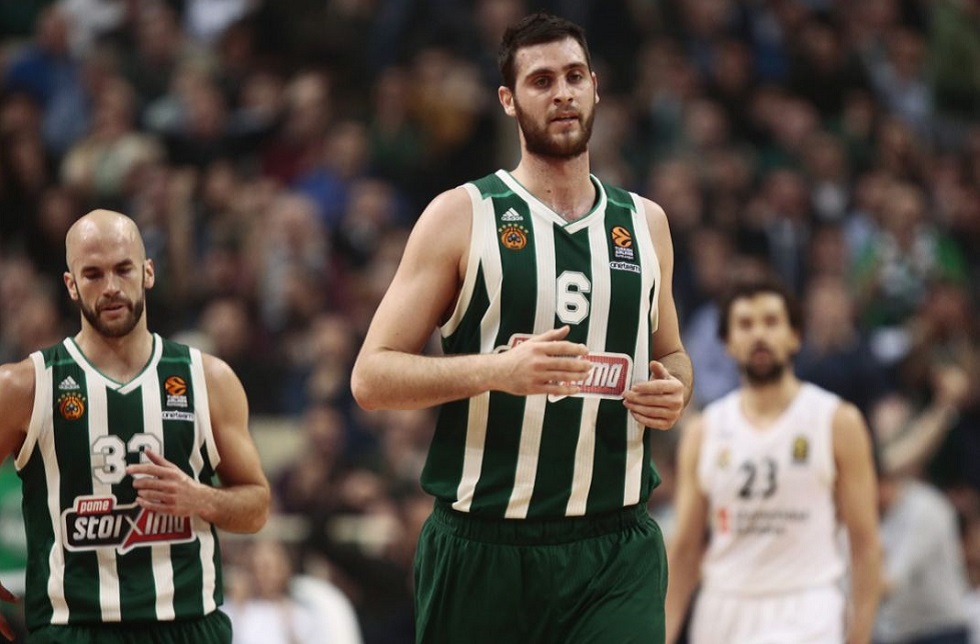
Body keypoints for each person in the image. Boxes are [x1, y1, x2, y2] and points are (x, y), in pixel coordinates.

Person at [351, 12, 693, 644]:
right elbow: (371, 378)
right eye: (541, 81)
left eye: (574, 77)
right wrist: (498, 371)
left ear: (596, 88)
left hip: (615, 548)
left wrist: (675, 389)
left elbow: (671, 353)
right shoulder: (461, 215)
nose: (562, 93)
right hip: (485, 544)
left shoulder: (646, 224)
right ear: (508, 100)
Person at [0, 209, 271, 643]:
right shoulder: (24, 386)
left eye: (123, 269)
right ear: (71, 285)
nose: (110, 286)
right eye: (92, 274)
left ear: (148, 272)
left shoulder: (209, 379)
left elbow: (256, 507)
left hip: (189, 626)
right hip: (74, 630)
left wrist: (200, 498)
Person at [665, 276, 881, 644]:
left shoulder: (837, 421)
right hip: (723, 608)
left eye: (771, 322)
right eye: (745, 324)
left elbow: (865, 543)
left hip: (807, 605)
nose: (759, 334)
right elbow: (685, 548)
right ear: (727, 343)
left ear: (795, 336)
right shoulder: (704, 431)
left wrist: (860, 634)